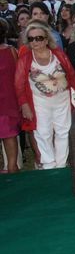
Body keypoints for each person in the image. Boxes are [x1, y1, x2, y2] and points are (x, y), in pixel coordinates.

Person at [15, 21, 75, 169]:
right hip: (39, 102)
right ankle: (48, 165)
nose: (35, 42)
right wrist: (24, 105)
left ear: (46, 39)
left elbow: (71, 74)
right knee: (43, 133)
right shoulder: (25, 59)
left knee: (63, 131)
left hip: (63, 100)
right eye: (31, 39)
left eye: (38, 38)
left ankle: (61, 164)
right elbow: (19, 85)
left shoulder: (58, 54)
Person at [0, 20, 19, 174]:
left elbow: (19, 76)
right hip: (8, 100)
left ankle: (12, 168)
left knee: (9, 134)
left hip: (8, 101)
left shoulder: (11, 50)